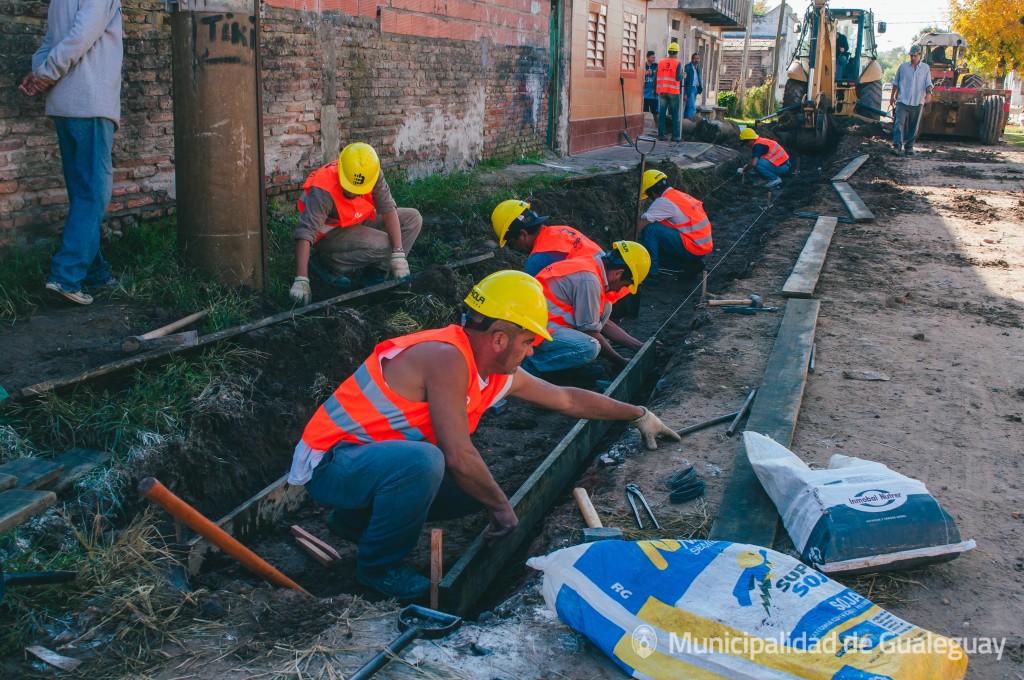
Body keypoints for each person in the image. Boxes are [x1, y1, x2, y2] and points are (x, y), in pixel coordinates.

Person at [286, 270, 680, 600]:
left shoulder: (490, 369)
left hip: (370, 465)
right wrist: (501, 507)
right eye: (528, 342)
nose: (530, 353)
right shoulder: (445, 357)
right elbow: (457, 452)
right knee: (432, 463)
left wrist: (639, 414)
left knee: (464, 486)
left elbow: (565, 399)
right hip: (332, 463)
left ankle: (354, 523)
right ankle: (378, 568)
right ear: (499, 338)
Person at [19, 0, 123, 306]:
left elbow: (51, 40)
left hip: (65, 105)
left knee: (82, 193)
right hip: (89, 103)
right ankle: (66, 276)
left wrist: (39, 72)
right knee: (94, 194)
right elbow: (81, 35)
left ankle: (95, 272)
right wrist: (46, 73)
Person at [290, 142, 422, 305]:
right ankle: (326, 263)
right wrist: (301, 279)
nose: (353, 192)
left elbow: (387, 208)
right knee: (385, 244)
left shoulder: (371, 173)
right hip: (328, 234)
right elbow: (305, 232)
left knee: (413, 219)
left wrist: (399, 254)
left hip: (356, 219)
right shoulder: (323, 188)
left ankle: (377, 271)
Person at [522, 242, 651, 376]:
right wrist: (621, 362)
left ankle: (563, 363)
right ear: (618, 274)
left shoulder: (592, 265)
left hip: (547, 320)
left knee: (606, 307)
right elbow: (590, 331)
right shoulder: (589, 281)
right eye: (625, 284)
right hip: (536, 329)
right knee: (588, 347)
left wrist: (639, 346)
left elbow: (599, 322)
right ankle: (530, 367)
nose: (620, 289)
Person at [491, 199, 604, 276]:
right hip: (613, 287)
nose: (515, 248)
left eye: (512, 243)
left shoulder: (536, 263)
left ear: (523, 234)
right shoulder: (563, 230)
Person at [636, 170, 712, 284]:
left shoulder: (664, 202)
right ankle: (690, 265)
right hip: (702, 245)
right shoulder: (679, 195)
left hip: (694, 246)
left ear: (652, 192)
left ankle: (651, 275)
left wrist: (627, 242)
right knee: (654, 237)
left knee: (650, 230)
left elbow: (641, 223)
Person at [889, 45, 933, 157]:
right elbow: (895, 82)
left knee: (914, 126)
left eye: (915, 56)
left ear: (919, 55)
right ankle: (897, 147)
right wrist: (892, 97)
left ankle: (909, 147)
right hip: (902, 100)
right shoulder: (903, 67)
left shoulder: (925, 68)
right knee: (899, 124)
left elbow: (928, 83)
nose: (912, 58)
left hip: (917, 101)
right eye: (911, 55)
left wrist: (928, 93)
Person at [656, 43, 684, 142]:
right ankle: (675, 136)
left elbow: (656, 76)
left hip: (662, 91)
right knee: (675, 114)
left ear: (668, 52)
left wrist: (654, 90)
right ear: (676, 52)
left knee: (662, 113)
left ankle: (661, 135)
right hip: (673, 92)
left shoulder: (660, 62)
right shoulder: (677, 63)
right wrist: (683, 75)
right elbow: (678, 77)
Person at [683, 52, 703, 119]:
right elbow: (684, 81)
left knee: (689, 106)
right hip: (690, 89)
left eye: (698, 58)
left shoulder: (697, 68)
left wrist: (699, 88)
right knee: (692, 107)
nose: (696, 60)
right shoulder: (687, 67)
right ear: (692, 59)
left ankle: (685, 122)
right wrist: (684, 93)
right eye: (695, 58)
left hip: (695, 89)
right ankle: (691, 122)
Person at [643, 51, 659, 128]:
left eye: (654, 57)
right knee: (644, 111)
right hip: (644, 94)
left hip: (654, 94)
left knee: (655, 112)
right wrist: (645, 73)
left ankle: (656, 125)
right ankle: (643, 126)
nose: (654, 59)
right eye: (652, 57)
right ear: (648, 57)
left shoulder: (657, 66)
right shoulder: (643, 66)